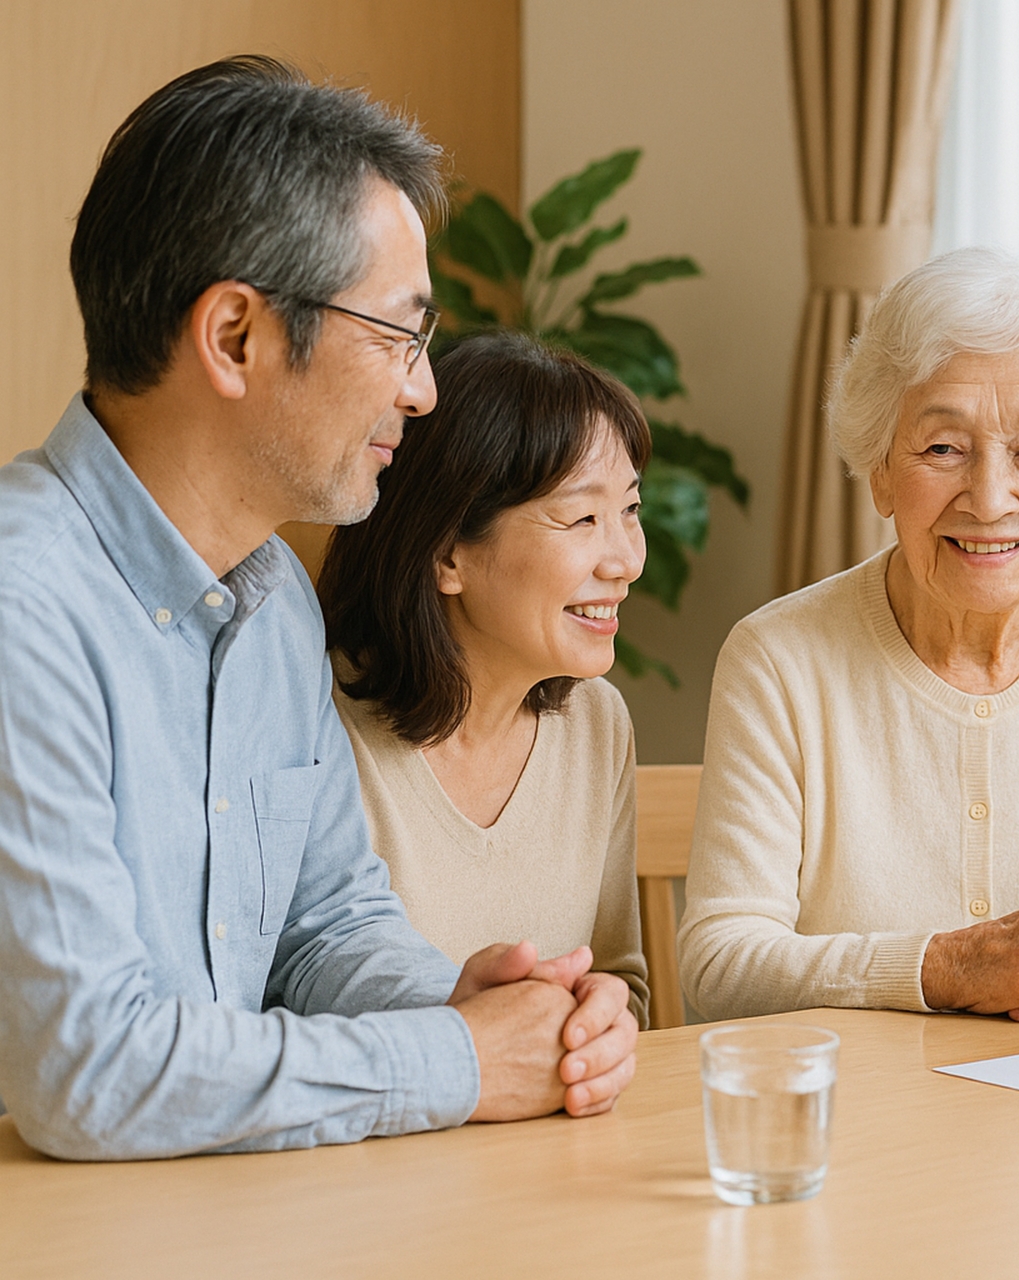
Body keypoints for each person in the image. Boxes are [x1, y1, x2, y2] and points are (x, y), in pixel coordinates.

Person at [0, 56, 637, 1161]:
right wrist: (459, 1058)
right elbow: (87, 1069)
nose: (422, 389)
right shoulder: (25, 607)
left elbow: (323, 926)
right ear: (235, 337)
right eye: (397, 335)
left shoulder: (274, 601)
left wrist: (474, 1006)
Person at [679, 246, 1019, 1022]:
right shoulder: (779, 660)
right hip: (861, 1096)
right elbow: (720, 963)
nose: (989, 497)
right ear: (879, 470)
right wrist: (949, 968)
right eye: (943, 448)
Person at [319, 332, 651, 1029]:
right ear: (447, 554)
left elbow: (621, 983)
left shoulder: (597, 723)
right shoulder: (319, 724)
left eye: (630, 510)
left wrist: (600, 1019)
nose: (625, 560)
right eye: (582, 518)